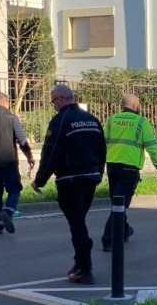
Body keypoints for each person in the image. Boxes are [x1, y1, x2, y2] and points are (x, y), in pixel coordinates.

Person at [31, 84, 106, 284]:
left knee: (77, 224)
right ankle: (79, 263)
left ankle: (85, 269)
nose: (53, 106)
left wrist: (39, 180)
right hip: (90, 178)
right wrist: (98, 174)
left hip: (70, 180)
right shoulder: (92, 119)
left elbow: (51, 152)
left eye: (53, 102)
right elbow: (102, 150)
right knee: (79, 221)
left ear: (60, 99)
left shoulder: (61, 120)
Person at [100, 93, 157, 252]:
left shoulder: (111, 120)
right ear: (135, 105)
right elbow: (152, 147)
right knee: (119, 205)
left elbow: (101, 142)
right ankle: (108, 239)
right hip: (129, 168)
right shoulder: (142, 122)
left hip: (112, 166)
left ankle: (124, 231)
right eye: (138, 104)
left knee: (117, 202)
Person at [0, 92, 35, 235]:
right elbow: (21, 140)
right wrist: (29, 156)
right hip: (10, 161)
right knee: (14, 189)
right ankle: (8, 210)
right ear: (6, 103)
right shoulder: (12, 118)